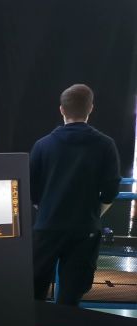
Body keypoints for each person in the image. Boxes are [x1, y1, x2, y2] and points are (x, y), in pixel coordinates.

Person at [30, 84, 121, 305]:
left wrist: (46, 209)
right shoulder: (106, 145)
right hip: (84, 230)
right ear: (91, 108)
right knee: (71, 297)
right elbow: (110, 192)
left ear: (61, 109)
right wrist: (93, 214)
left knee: (35, 294)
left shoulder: (42, 145)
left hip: (47, 227)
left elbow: (31, 190)